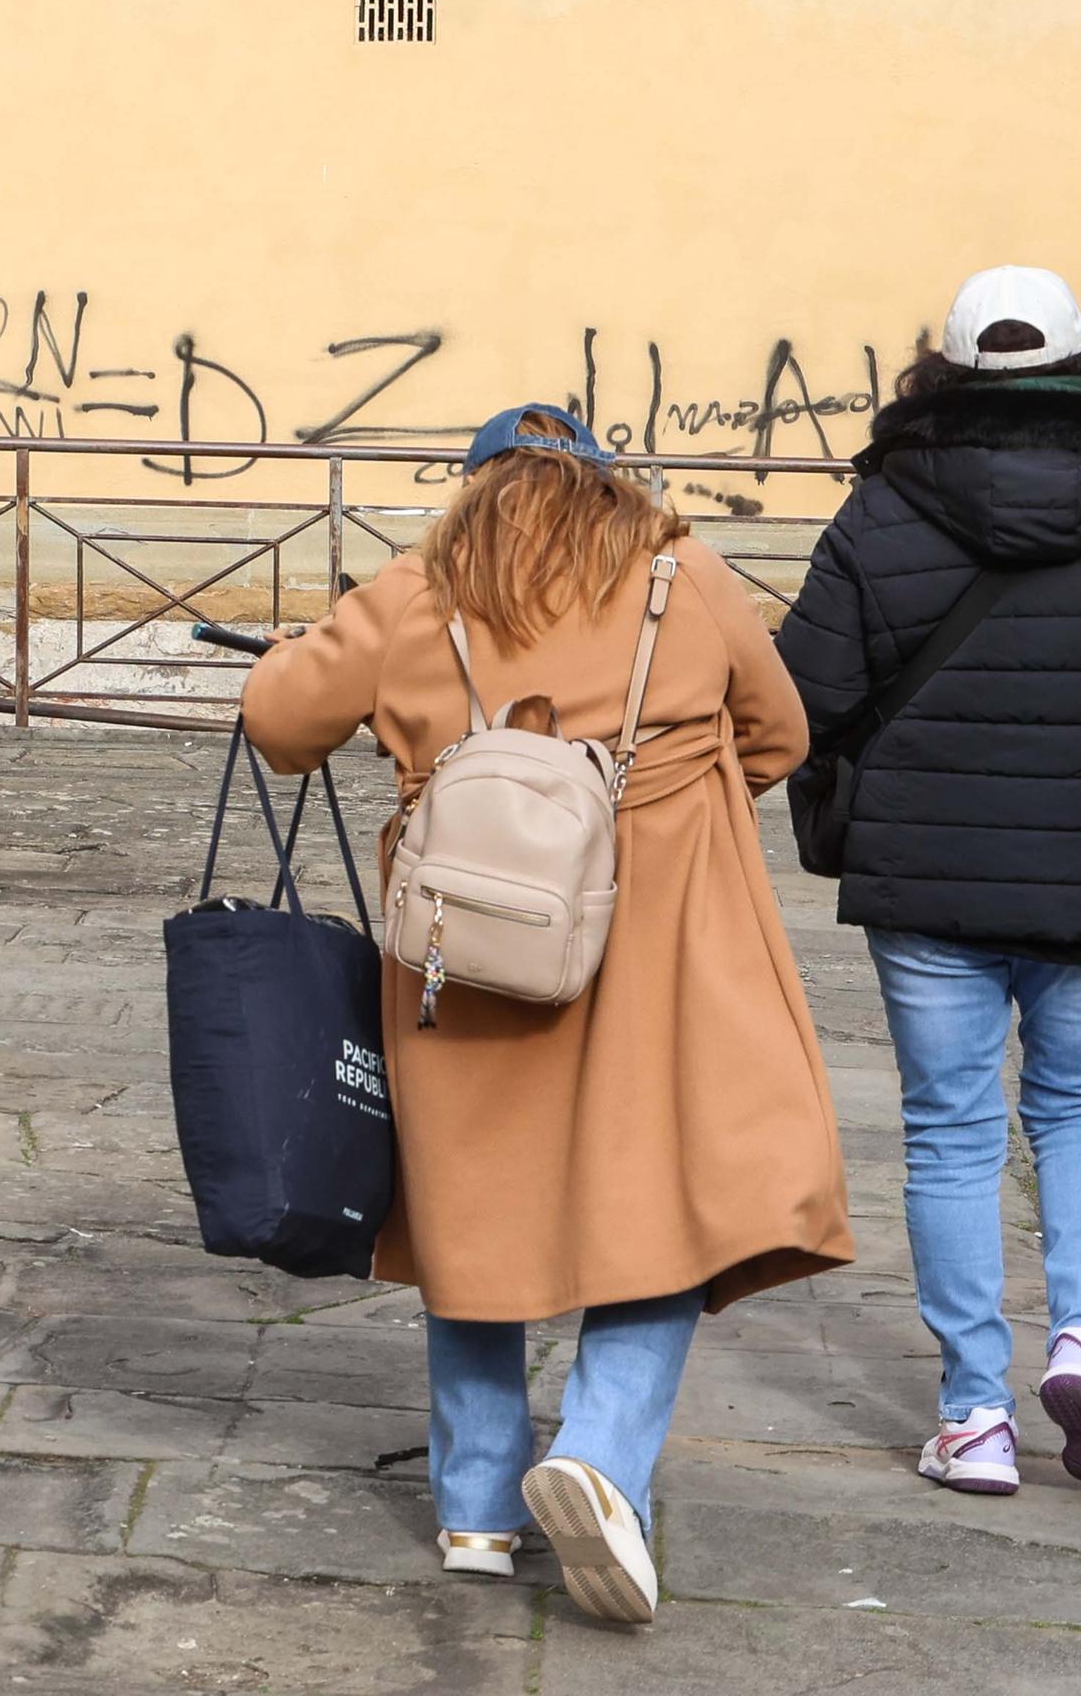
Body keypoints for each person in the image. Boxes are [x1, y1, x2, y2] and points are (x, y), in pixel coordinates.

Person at [244, 407, 852, 1627]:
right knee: (666, 1191)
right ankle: (601, 1454)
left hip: (469, 949)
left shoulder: (414, 590)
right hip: (663, 940)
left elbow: (278, 724)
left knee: (474, 1199)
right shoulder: (687, 574)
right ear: (601, 485)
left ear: (472, 494)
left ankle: (475, 1505)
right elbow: (781, 733)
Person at [778, 267, 1081, 1497]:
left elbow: (810, 695)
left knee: (949, 1130)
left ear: (942, 373)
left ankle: (974, 1414)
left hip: (928, 871)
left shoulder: (878, 512)